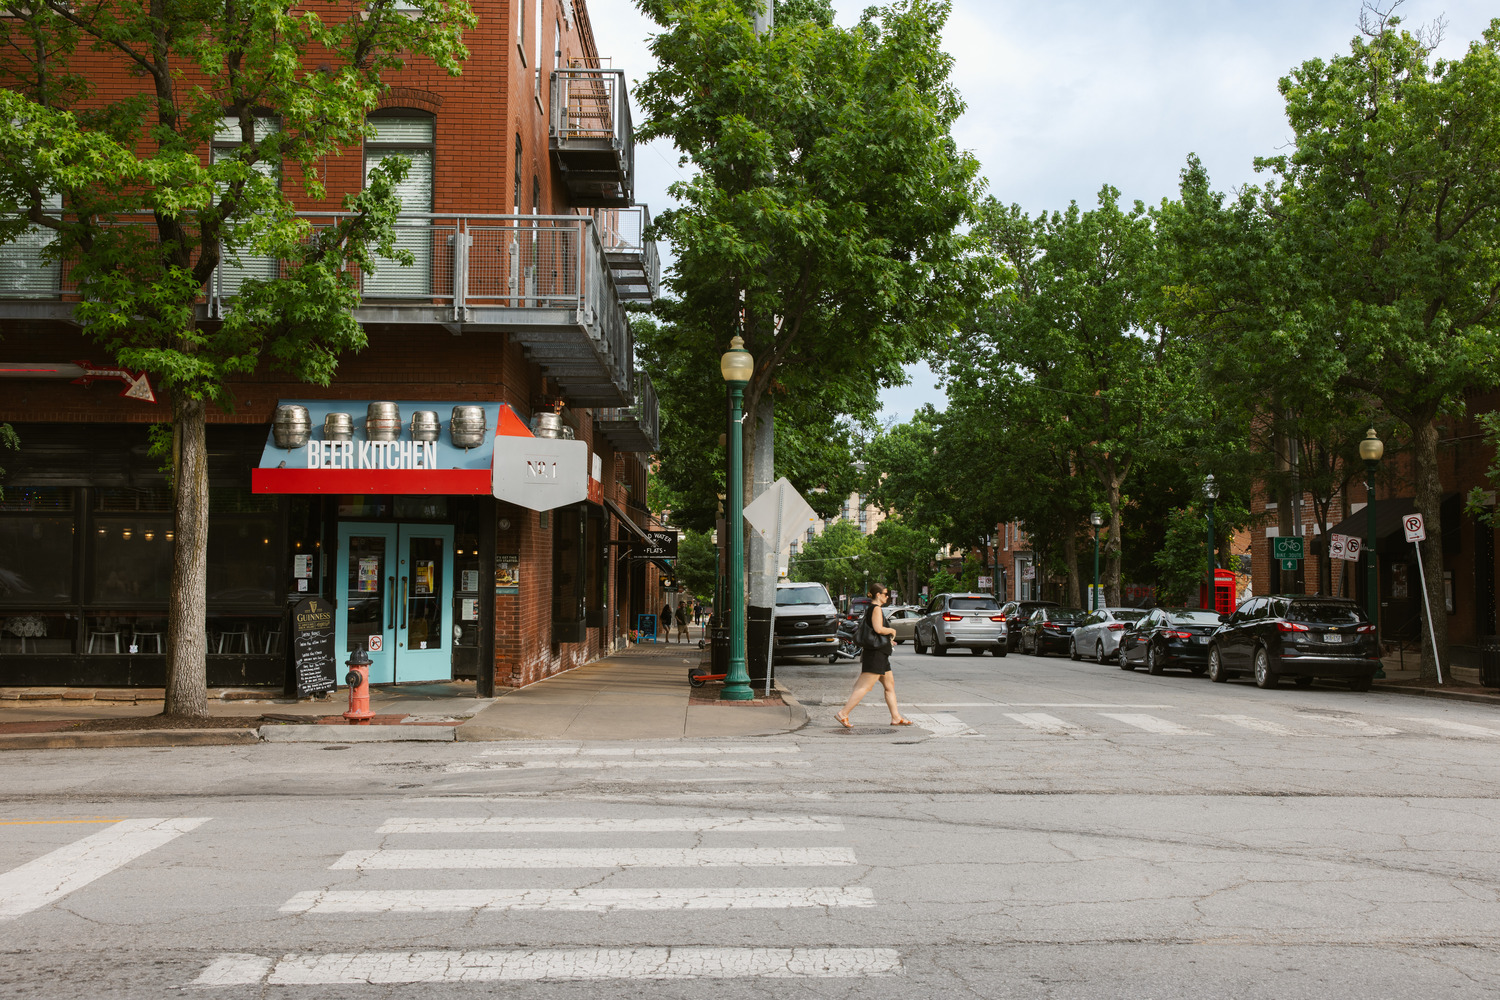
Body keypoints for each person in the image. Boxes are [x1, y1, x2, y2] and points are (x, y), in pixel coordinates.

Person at [835, 583, 912, 727]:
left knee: (889, 686)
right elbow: (878, 629)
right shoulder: (875, 609)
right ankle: (843, 713)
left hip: (880, 653)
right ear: (878, 595)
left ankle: (896, 717)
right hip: (875, 654)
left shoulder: (872, 609)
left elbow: (873, 631)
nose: (887, 596)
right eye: (885, 593)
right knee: (864, 686)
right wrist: (892, 632)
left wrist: (888, 640)